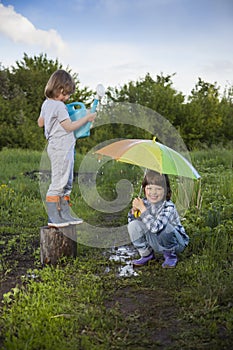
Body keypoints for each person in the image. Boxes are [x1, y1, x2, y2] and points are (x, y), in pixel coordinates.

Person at [37, 69, 96, 228]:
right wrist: (87, 118)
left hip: (58, 146)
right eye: (66, 93)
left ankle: (64, 213)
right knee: (59, 182)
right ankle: (54, 217)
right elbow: (69, 127)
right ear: (58, 88)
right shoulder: (59, 106)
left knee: (66, 181)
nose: (67, 97)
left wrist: (52, 120)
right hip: (61, 147)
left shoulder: (46, 104)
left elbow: (40, 123)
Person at [127, 170, 189, 268]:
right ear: (144, 189)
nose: (153, 192)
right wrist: (134, 211)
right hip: (156, 241)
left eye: (158, 189)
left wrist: (143, 209)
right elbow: (132, 223)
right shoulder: (144, 203)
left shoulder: (168, 206)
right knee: (133, 225)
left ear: (165, 190)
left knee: (166, 228)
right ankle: (147, 254)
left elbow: (156, 227)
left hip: (175, 243)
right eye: (149, 188)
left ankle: (170, 256)